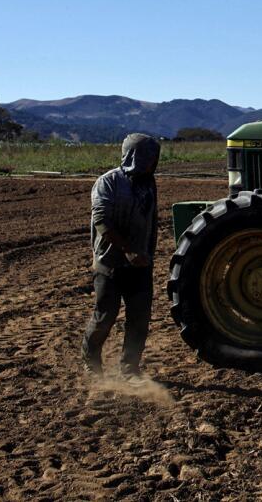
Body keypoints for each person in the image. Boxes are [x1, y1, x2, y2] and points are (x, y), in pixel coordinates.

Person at [82, 133, 160, 378]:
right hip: (110, 263)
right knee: (105, 317)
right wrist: (129, 250)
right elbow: (102, 222)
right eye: (150, 157)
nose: (153, 163)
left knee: (139, 320)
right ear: (136, 156)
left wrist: (144, 254)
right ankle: (91, 361)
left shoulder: (149, 183)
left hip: (140, 265)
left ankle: (129, 369)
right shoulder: (108, 182)